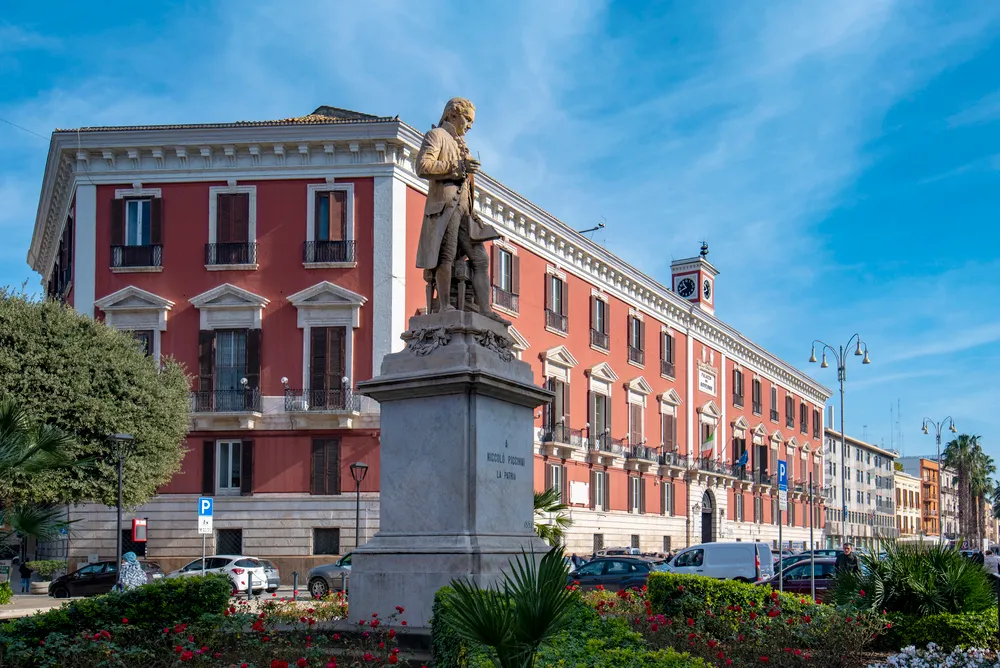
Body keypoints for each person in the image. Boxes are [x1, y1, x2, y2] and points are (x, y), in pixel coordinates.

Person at [414, 97, 509, 325]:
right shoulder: (436, 136)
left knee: (480, 258)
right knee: (444, 255)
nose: (469, 125)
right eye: (467, 119)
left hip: (465, 212)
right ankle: (445, 306)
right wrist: (458, 168)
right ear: (453, 114)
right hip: (444, 208)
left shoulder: (461, 145)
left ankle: (484, 309)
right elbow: (423, 166)